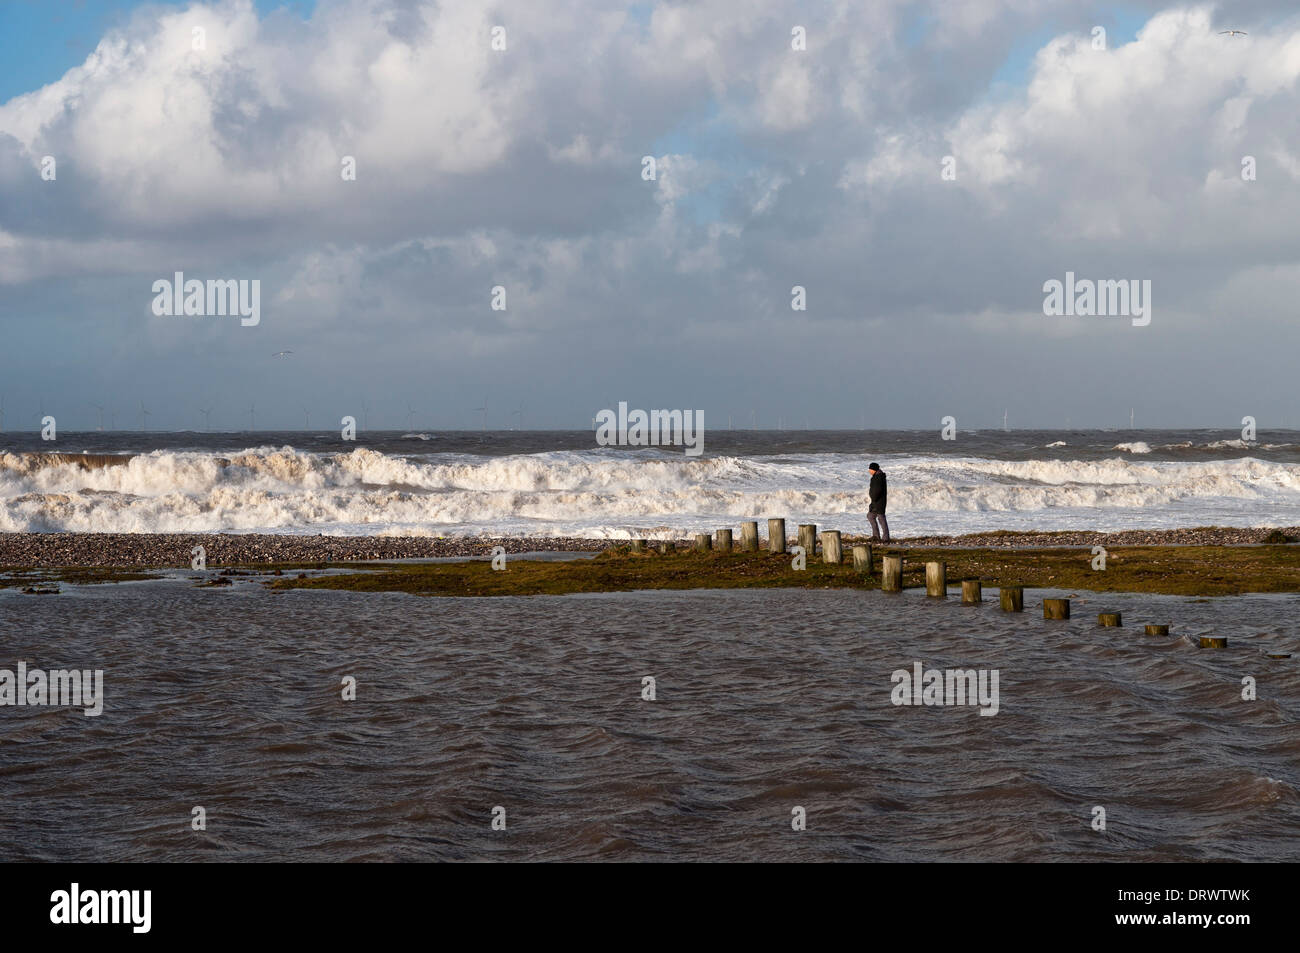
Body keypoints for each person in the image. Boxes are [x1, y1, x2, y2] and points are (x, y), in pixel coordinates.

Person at [867, 462, 890, 542]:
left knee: (881, 518)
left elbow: (877, 490)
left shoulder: (879, 477)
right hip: (875, 502)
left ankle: (886, 538)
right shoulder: (876, 476)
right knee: (870, 516)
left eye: (870, 469)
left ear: (874, 470)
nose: (869, 471)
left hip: (879, 502)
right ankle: (876, 536)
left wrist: (873, 497)